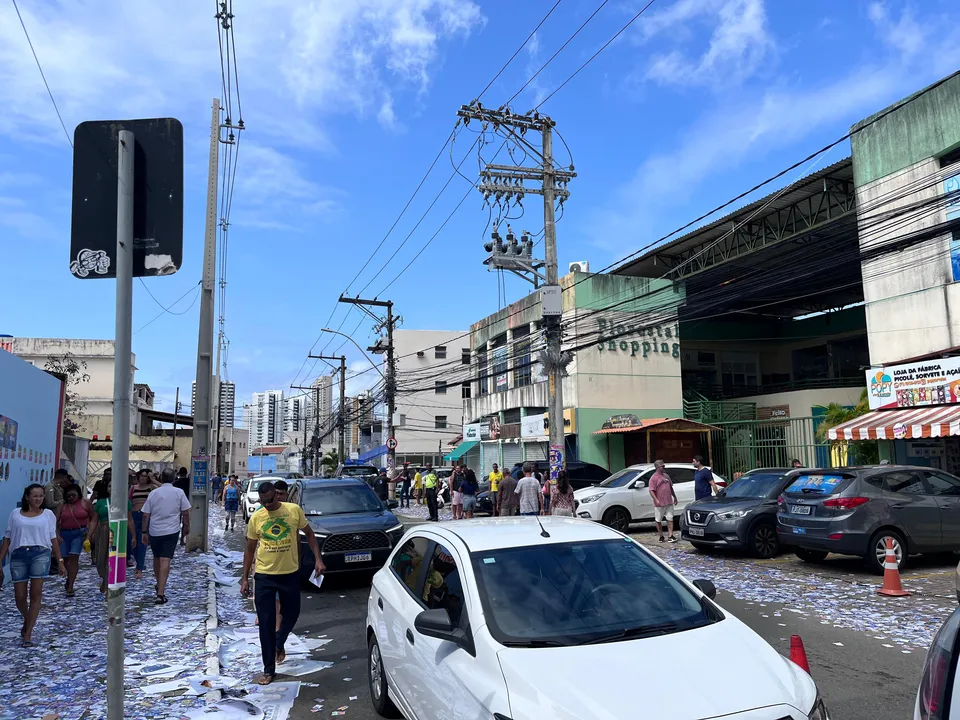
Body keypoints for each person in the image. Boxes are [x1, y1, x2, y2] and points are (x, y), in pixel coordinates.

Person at [241, 481, 324, 685]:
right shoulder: (257, 518)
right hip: (264, 576)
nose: (267, 505)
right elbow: (250, 549)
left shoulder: (293, 511)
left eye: (269, 500)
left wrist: (318, 559)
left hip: (289, 573)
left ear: (277, 496)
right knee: (266, 623)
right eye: (263, 501)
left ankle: (279, 642)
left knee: (292, 612)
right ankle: (269, 669)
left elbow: (310, 535)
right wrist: (244, 578)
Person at [0, 483, 65, 646]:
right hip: (19, 554)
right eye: (35, 495)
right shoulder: (16, 514)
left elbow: (53, 538)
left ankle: (28, 633)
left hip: (40, 554)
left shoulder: (48, 514)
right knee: (20, 596)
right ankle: (28, 618)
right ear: (27, 497)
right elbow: (7, 537)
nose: (38, 499)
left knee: (36, 594)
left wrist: (60, 561)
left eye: (41, 496)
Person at [141, 468, 190, 604]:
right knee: (165, 559)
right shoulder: (179, 493)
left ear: (161, 478)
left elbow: (146, 514)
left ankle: (159, 584)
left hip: (155, 530)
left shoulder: (153, 493)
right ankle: (161, 592)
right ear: (174, 478)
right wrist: (186, 526)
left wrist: (144, 531)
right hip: (171, 530)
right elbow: (185, 512)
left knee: (156, 558)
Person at [89, 476, 137, 594]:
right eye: (110, 486)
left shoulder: (126, 502)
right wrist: (89, 535)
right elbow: (94, 520)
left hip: (118, 531)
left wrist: (134, 536)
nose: (112, 488)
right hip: (103, 530)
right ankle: (104, 578)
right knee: (100, 559)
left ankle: (110, 583)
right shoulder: (100, 502)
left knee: (114, 558)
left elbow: (130, 520)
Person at [57, 484, 94, 596]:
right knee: (65, 558)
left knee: (74, 557)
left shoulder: (85, 503)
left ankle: (71, 585)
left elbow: (93, 518)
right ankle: (69, 576)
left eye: (73, 495)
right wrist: (56, 534)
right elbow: (56, 520)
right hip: (64, 533)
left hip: (79, 533)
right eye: (69, 496)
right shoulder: (62, 506)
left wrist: (90, 533)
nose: (71, 498)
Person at [130, 468, 160, 580]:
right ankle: (139, 563)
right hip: (134, 515)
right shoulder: (133, 488)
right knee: (133, 543)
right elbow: (128, 501)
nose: (143, 478)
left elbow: (163, 488)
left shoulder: (151, 488)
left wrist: (153, 479)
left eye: (145, 476)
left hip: (146, 516)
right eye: (141, 475)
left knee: (142, 543)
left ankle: (140, 568)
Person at [649, 460, 679, 542]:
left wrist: (675, 497)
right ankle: (661, 535)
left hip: (668, 501)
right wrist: (656, 499)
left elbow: (671, 487)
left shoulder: (666, 476)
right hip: (659, 503)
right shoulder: (653, 478)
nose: (664, 467)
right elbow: (651, 490)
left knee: (670, 518)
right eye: (663, 466)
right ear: (658, 467)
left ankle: (670, 535)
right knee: (658, 520)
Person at [173, 467, 191, 546]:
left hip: (176, 503)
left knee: (177, 522)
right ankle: (182, 540)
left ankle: (175, 538)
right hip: (187, 503)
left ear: (179, 473)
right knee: (185, 522)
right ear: (186, 473)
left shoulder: (176, 482)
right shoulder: (189, 481)